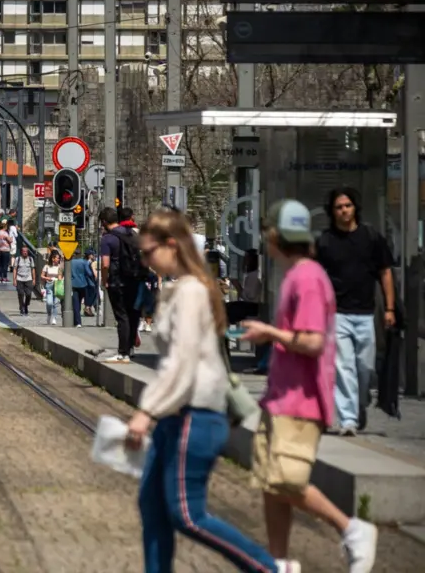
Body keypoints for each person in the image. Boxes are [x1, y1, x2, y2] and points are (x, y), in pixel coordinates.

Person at [126, 210, 290, 573]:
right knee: (152, 507)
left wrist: (146, 411)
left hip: (196, 415)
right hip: (177, 416)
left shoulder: (192, 292)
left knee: (186, 512)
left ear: (171, 245)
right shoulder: (179, 289)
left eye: (148, 252)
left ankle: (268, 568)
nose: (144, 259)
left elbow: (182, 364)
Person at [241, 199, 378, 573]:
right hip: (281, 398)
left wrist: (269, 333)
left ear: (276, 236)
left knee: (287, 480)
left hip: (301, 400)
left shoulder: (307, 279)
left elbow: (313, 341)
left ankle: (351, 529)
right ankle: (279, 561)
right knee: (273, 483)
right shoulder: (297, 275)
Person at [314, 187, 395, 435]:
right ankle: (348, 419)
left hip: (367, 314)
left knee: (364, 368)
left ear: (354, 208)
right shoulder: (325, 241)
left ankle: (360, 405)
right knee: (344, 366)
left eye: (347, 205)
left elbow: (385, 272)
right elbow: (316, 277)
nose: (344, 211)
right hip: (338, 314)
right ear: (332, 211)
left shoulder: (371, 238)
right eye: (339, 207)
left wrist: (390, 308)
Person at [100, 206, 146, 363]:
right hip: (134, 279)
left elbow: (105, 264)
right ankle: (130, 348)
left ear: (104, 222)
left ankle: (123, 353)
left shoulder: (107, 238)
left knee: (122, 317)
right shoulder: (132, 234)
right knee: (133, 315)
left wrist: (104, 280)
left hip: (117, 282)